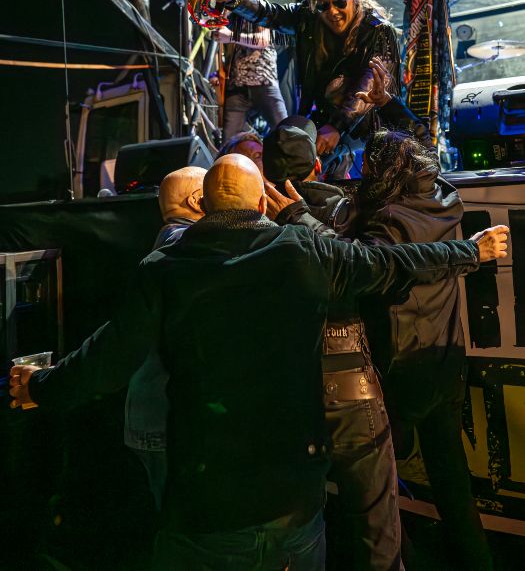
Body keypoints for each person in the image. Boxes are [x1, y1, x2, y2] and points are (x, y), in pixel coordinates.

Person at [10, 155, 507, 571]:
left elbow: (105, 361)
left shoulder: (163, 271)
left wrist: (39, 386)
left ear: (205, 205)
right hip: (295, 505)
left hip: (209, 509)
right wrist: (471, 250)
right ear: (261, 203)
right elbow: (394, 263)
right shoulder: (303, 252)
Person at [263, 111, 401, 571]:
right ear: (318, 166)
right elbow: (371, 270)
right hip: (350, 385)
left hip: (286, 391)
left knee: (299, 530)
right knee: (376, 529)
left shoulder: (252, 217)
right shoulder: (349, 210)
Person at [356, 130, 496, 571]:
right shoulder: (446, 199)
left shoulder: (386, 220)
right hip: (445, 362)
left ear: (383, 170)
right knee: (452, 481)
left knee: (378, 486)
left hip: (399, 370)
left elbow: (363, 267)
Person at [215, 0, 402, 178]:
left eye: (340, 3)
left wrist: (337, 127)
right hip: (326, 116)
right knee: (290, 145)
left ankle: (333, 172)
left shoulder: (378, 30)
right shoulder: (310, 16)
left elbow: (367, 87)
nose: (332, 11)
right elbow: (271, 13)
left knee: (311, 158)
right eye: (324, 5)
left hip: (367, 122)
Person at [125, 166, 206, 511]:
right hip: (165, 419)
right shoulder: (183, 245)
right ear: (198, 200)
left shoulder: (171, 242)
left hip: (155, 415)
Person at [213, 0, 288, 144]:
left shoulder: (260, 11)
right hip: (238, 87)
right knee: (228, 142)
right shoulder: (233, 18)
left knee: (285, 133)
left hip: (263, 81)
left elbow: (263, 40)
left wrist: (231, 36)